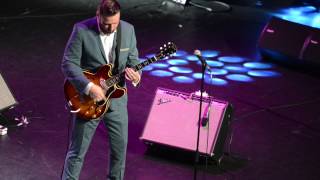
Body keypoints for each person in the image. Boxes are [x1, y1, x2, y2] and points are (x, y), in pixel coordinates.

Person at [61, 0, 141, 179]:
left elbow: (134, 61)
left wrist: (136, 74)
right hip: (88, 101)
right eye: (106, 24)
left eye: (115, 23)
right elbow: (68, 63)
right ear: (98, 15)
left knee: (119, 153)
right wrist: (89, 87)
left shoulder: (128, 30)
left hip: (117, 102)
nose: (111, 28)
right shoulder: (81, 30)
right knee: (77, 153)